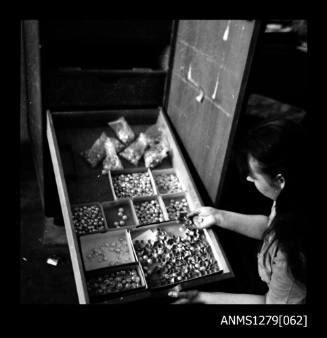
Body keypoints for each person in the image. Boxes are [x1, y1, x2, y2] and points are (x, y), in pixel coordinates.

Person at [169, 118, 308, 304]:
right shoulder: (294, 193)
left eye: (255, 176)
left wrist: (202, 297)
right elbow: (270, 226)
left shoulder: (291, 253)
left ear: (280, 181)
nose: (249, 179)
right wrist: (219, 216)